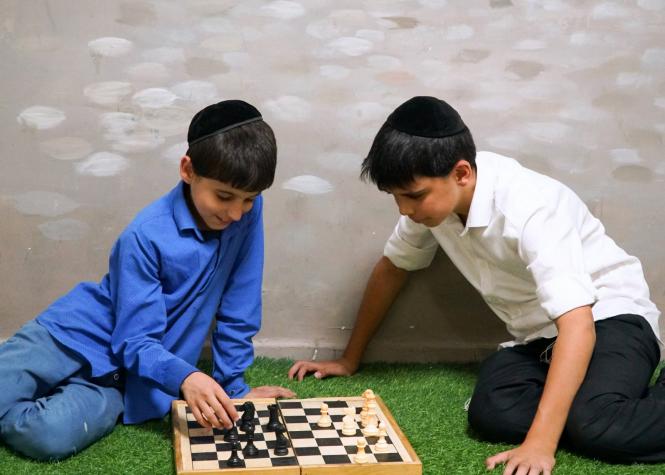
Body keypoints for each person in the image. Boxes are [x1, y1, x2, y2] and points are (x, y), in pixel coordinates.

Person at [288, 96, 663, 474]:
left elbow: (578, 325)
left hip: (610, 320)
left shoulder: (530, 207)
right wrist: (350, 358)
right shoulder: (432, 206)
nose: (404, 210)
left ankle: (588, 413)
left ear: (462, 173)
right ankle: (583, 407)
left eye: (413, 196)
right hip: (539, 342)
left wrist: (539, 444)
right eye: (396, 197)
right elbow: (393, 268)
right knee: (490, 414)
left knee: (596, 425)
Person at [0, 99, 294, 461]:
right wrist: (187, 379)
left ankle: (46, 395)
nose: (236, 212)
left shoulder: (247, 214)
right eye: (224, 196)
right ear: (188, 170)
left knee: (48, 438)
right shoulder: (144, 235)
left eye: (249, 199)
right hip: (73, 334)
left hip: (126, 382)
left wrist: (233, 388)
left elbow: (240, 304)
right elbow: (133, 337)